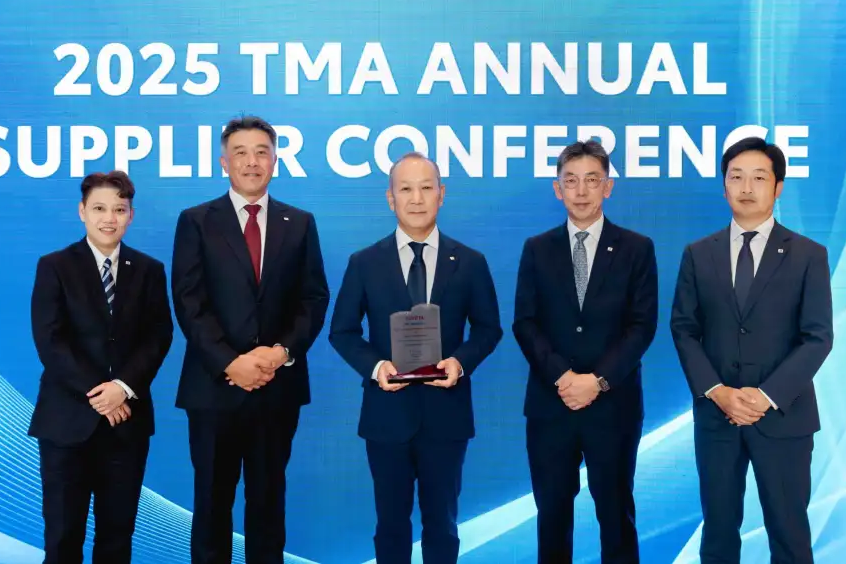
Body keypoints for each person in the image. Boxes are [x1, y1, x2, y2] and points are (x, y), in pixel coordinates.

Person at [329, 152, 503, 564]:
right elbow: (342, 331)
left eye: (426, 187)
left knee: (442, 525)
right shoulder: (364, 262)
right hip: (386, 414)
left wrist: (460, 362)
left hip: (446, 415)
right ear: (390, 198)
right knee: (390, 526)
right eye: (405, 189)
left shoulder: (470, 262)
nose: (417, 198)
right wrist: (376, 367)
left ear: (442, 194)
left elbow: (488, 328)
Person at [172, 115, 330, 564]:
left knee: (268, 504)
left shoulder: (299, 223)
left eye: (262, 152)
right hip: (213, 388)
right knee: (211, 505)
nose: (252, 162)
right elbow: (188, 302)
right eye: (240, 153)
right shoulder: (196, 221)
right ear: (224, 163)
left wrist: (280, 354)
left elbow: (314, 298)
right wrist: (231, 362)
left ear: (275, 161)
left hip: (277, 389)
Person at [671, 136, 833, 563]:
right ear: (724, 186)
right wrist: (717, 391)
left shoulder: (808, 255)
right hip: (717, 418)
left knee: (789, 534)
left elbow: (818, 336)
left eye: (759, 178)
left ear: (778, 187)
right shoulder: (698, 254)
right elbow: (684, 329)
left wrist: (766, 396)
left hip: (783, 417)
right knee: (718, 534)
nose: (746, 187)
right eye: (736, 177)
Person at [512, 140, 658, 564]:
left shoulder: (636, 248)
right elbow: (525, 322)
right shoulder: (537, 248)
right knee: (552, 518)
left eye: (591, 180)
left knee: (616, 516)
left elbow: (641, 326)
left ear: (607, 187)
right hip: (551, 406)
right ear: (557, 189)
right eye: (570, 181)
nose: (581, 191)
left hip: (613, 407)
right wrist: (563, 377)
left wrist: (597, 381)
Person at [29, 170, 173, 564]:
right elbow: (50, 341)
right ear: (82, 211)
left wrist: (122, 388)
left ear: (131, 215)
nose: (109, 218)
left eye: (119, 209)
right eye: (99, 209)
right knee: (62, 537)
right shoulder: (55, 266)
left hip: (126, 424)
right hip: (66, 422)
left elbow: (158, 336)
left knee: (117, 538)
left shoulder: (149, 270)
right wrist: (101, 393)